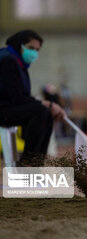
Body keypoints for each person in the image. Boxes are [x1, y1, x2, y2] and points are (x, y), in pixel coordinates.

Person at [0, 30, 65, 165]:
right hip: (3, 110)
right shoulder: (7, 60)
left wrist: (47, 106)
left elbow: (23, 98)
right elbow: (17, 99)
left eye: (37, 50)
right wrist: (48, 104)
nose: (34, 53)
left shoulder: (19, 64)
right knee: (41, 111)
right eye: (31, 48)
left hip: (8, 108)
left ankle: (35, 164)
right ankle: (28, 164)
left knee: (45, 113)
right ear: (20, 45)